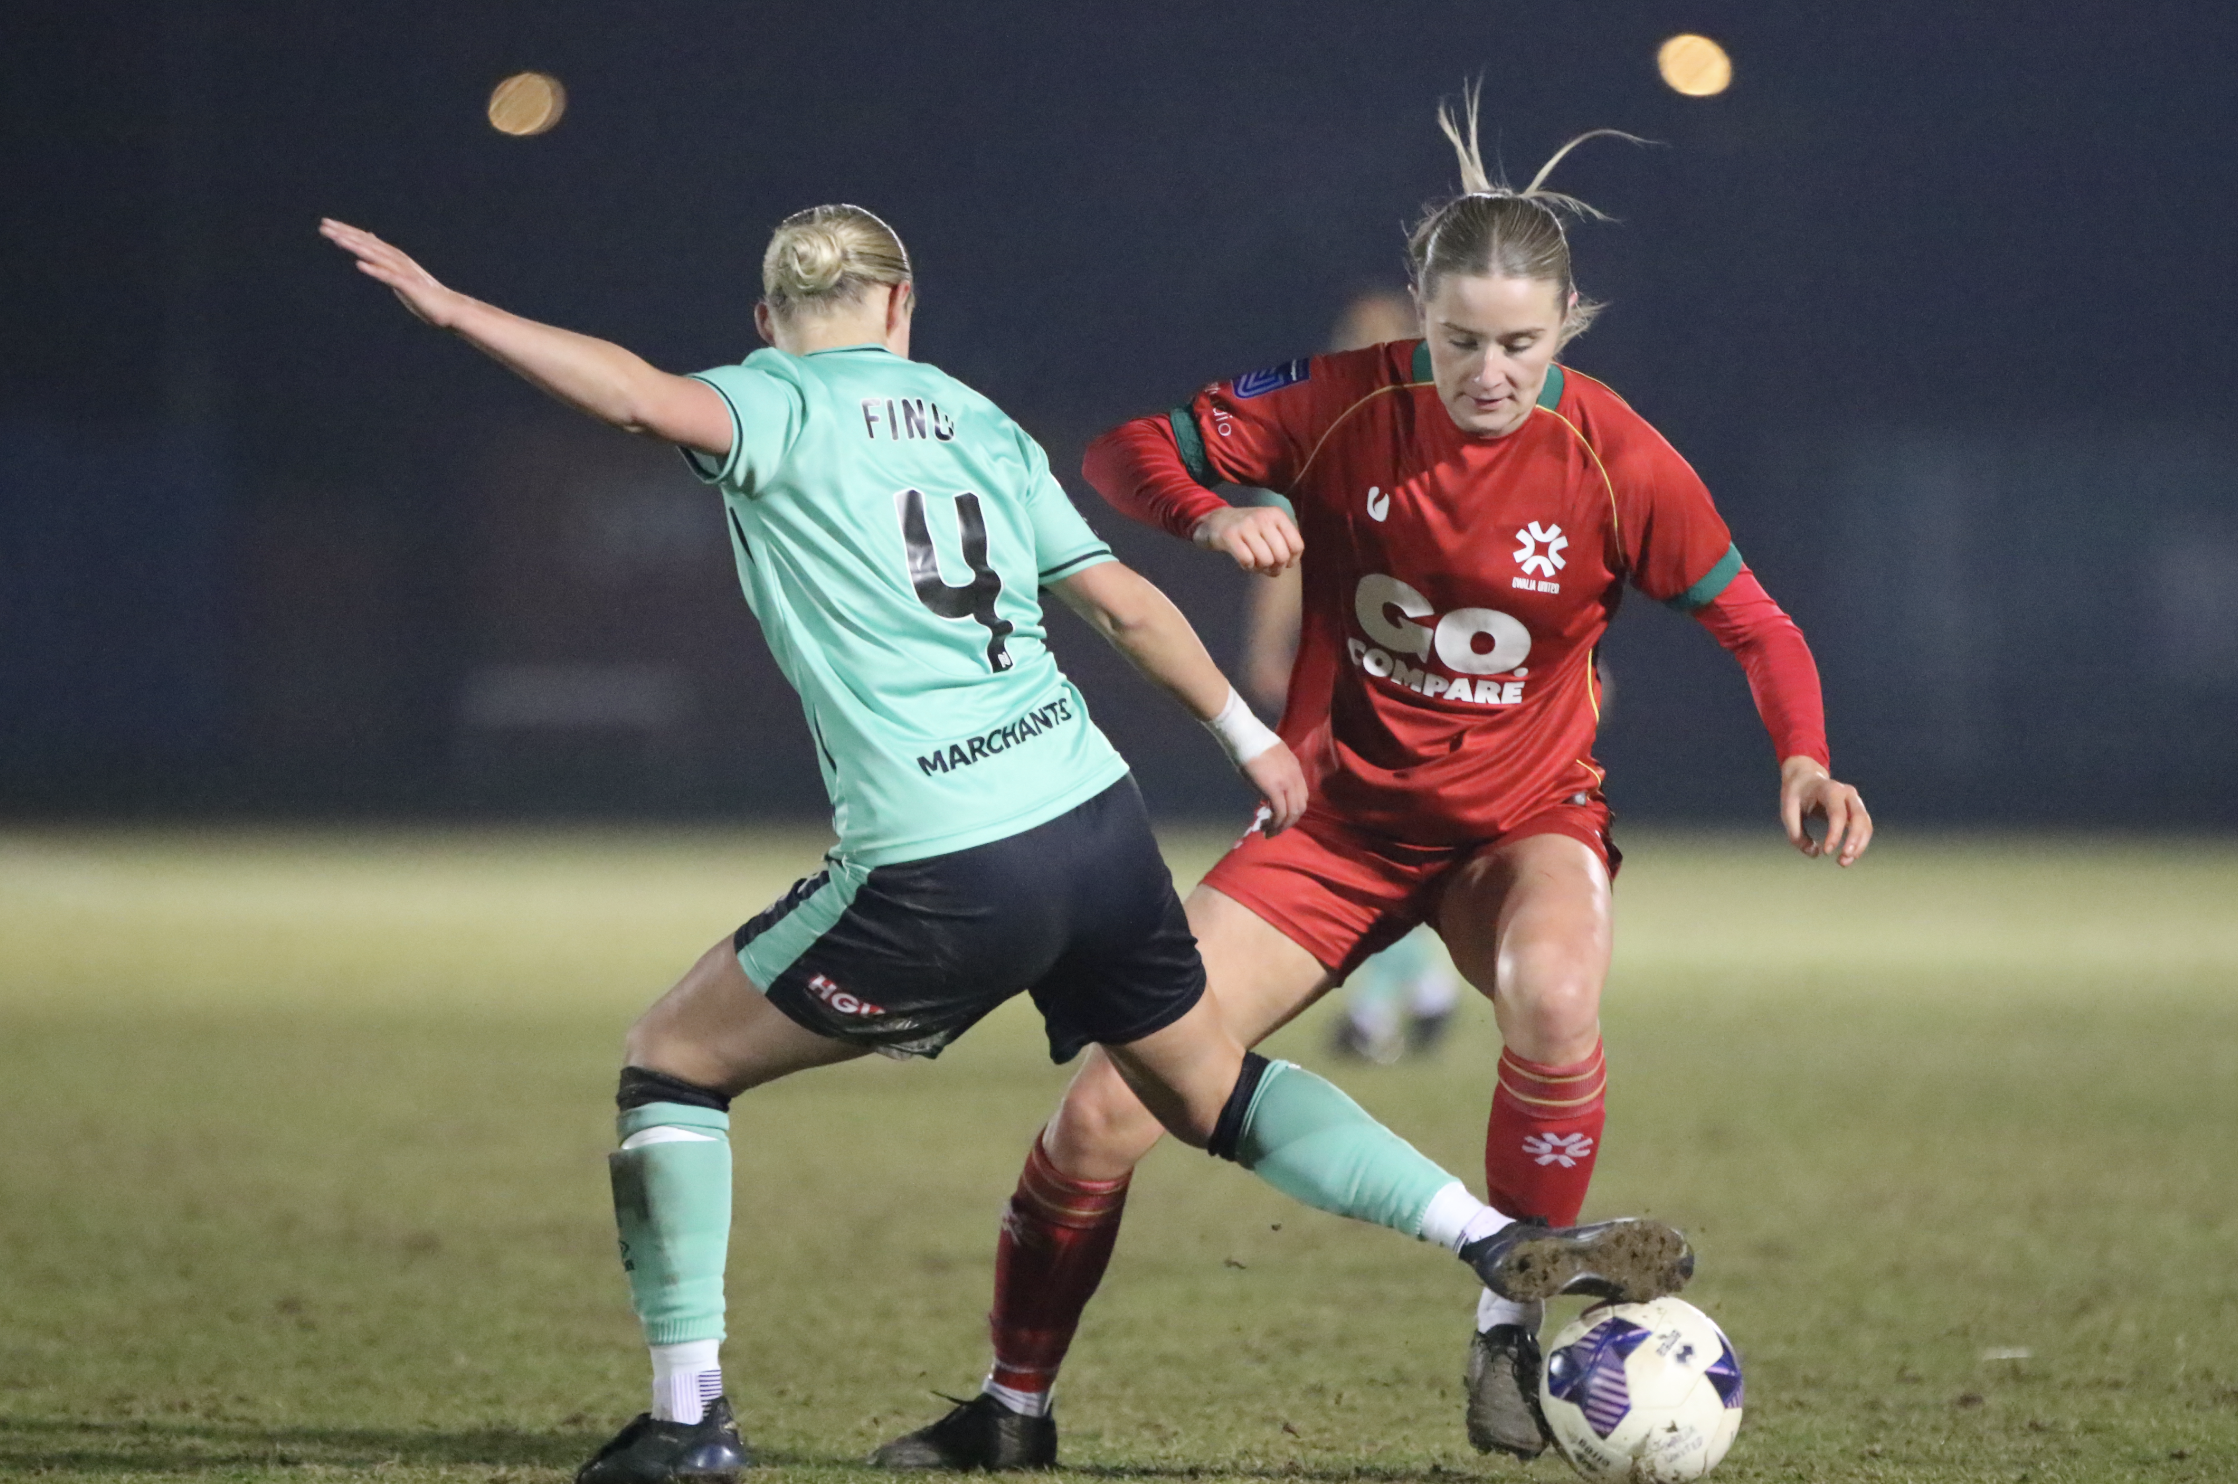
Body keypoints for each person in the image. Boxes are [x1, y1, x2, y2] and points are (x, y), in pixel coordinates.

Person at [321, 201, 1696, 1484]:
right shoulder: (976, 419)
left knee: (670, 1061)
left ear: (766, 320)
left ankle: (688, 1418)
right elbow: (1129, 605)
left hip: (942, 861)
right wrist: (1248, 740)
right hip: (1095, 825)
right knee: (1205, 1087)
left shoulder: (771, 400)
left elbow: (630, 393)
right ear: (900, 305)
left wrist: (456, 310)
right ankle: (1488, 1235)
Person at [879, 89, 1869, 1469]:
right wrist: (1208, 513)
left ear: (1566, 324)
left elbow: (1752, 621)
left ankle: (1506, 1334)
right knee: (1103, 1110)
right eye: (1460, 339)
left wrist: (1804, 754)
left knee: (1554, 997)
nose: (1488, 371)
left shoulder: (1614, 453)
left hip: (1520, 824)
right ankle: (1010, 1411)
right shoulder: (1342, 402)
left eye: (1519, 344)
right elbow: (1126, 448)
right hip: (1334, 827)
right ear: (1420, 315)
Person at [1238, 289, 1465, 1066]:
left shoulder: (1446, 442)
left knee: (1352, 837)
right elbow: (1283, 556)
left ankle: (1395, 1000)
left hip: (1413, 672)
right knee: (1353, 836)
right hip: (1344, 670)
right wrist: (1269, 647)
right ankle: (1403, 995)